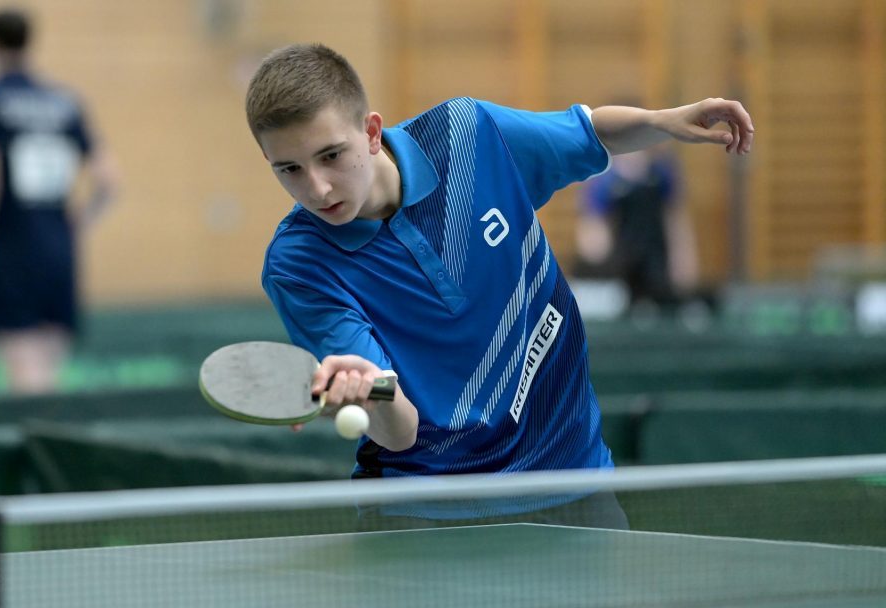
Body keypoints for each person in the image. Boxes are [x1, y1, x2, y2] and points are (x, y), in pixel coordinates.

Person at [246, 44, 752, 523]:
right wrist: (368, 391)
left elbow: (588, 134)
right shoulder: (299, 263)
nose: (317, 188)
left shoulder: (469, 137)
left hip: (572, 478)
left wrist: (665, 122)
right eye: (288, 169)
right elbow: (399, 435)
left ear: (372, 131)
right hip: (428, 512)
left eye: (331, 155)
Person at [0, 7, 117, 394]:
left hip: (11, 249)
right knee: (46, 376)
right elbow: (108, 180)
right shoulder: (66, 102)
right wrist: (77, 226)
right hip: (58, 250)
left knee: (25, 379)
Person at [575, 145, 699, 309]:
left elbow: (675, 219)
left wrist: (683, 257)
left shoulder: (661, 171)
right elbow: (592, 232)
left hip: (656, 265)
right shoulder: (603, 178)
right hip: (621, 268)